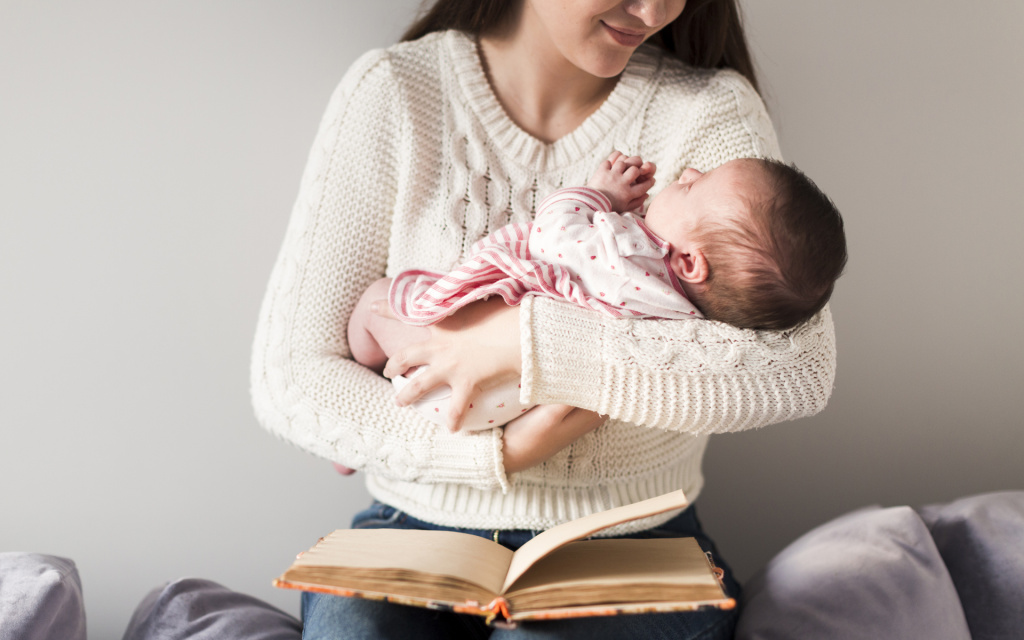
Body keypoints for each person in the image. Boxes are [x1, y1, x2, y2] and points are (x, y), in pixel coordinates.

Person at [249, 0, 839, 637]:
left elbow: (796, 369)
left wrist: (522, 343)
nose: (655, 10)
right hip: (414, 528)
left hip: (627, 540)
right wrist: (498, 452)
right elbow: (291, 378)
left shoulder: (709, 112)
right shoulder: (396, 92)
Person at [347, 152, 846, 432]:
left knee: (379, 300)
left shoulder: (631, 250)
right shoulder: (687, 318)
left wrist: (600, 197)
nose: (689, 172)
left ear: (690, 262)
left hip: (438, 375)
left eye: (696, 186)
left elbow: (553, 234)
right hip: (510, 410)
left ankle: (368, 368)